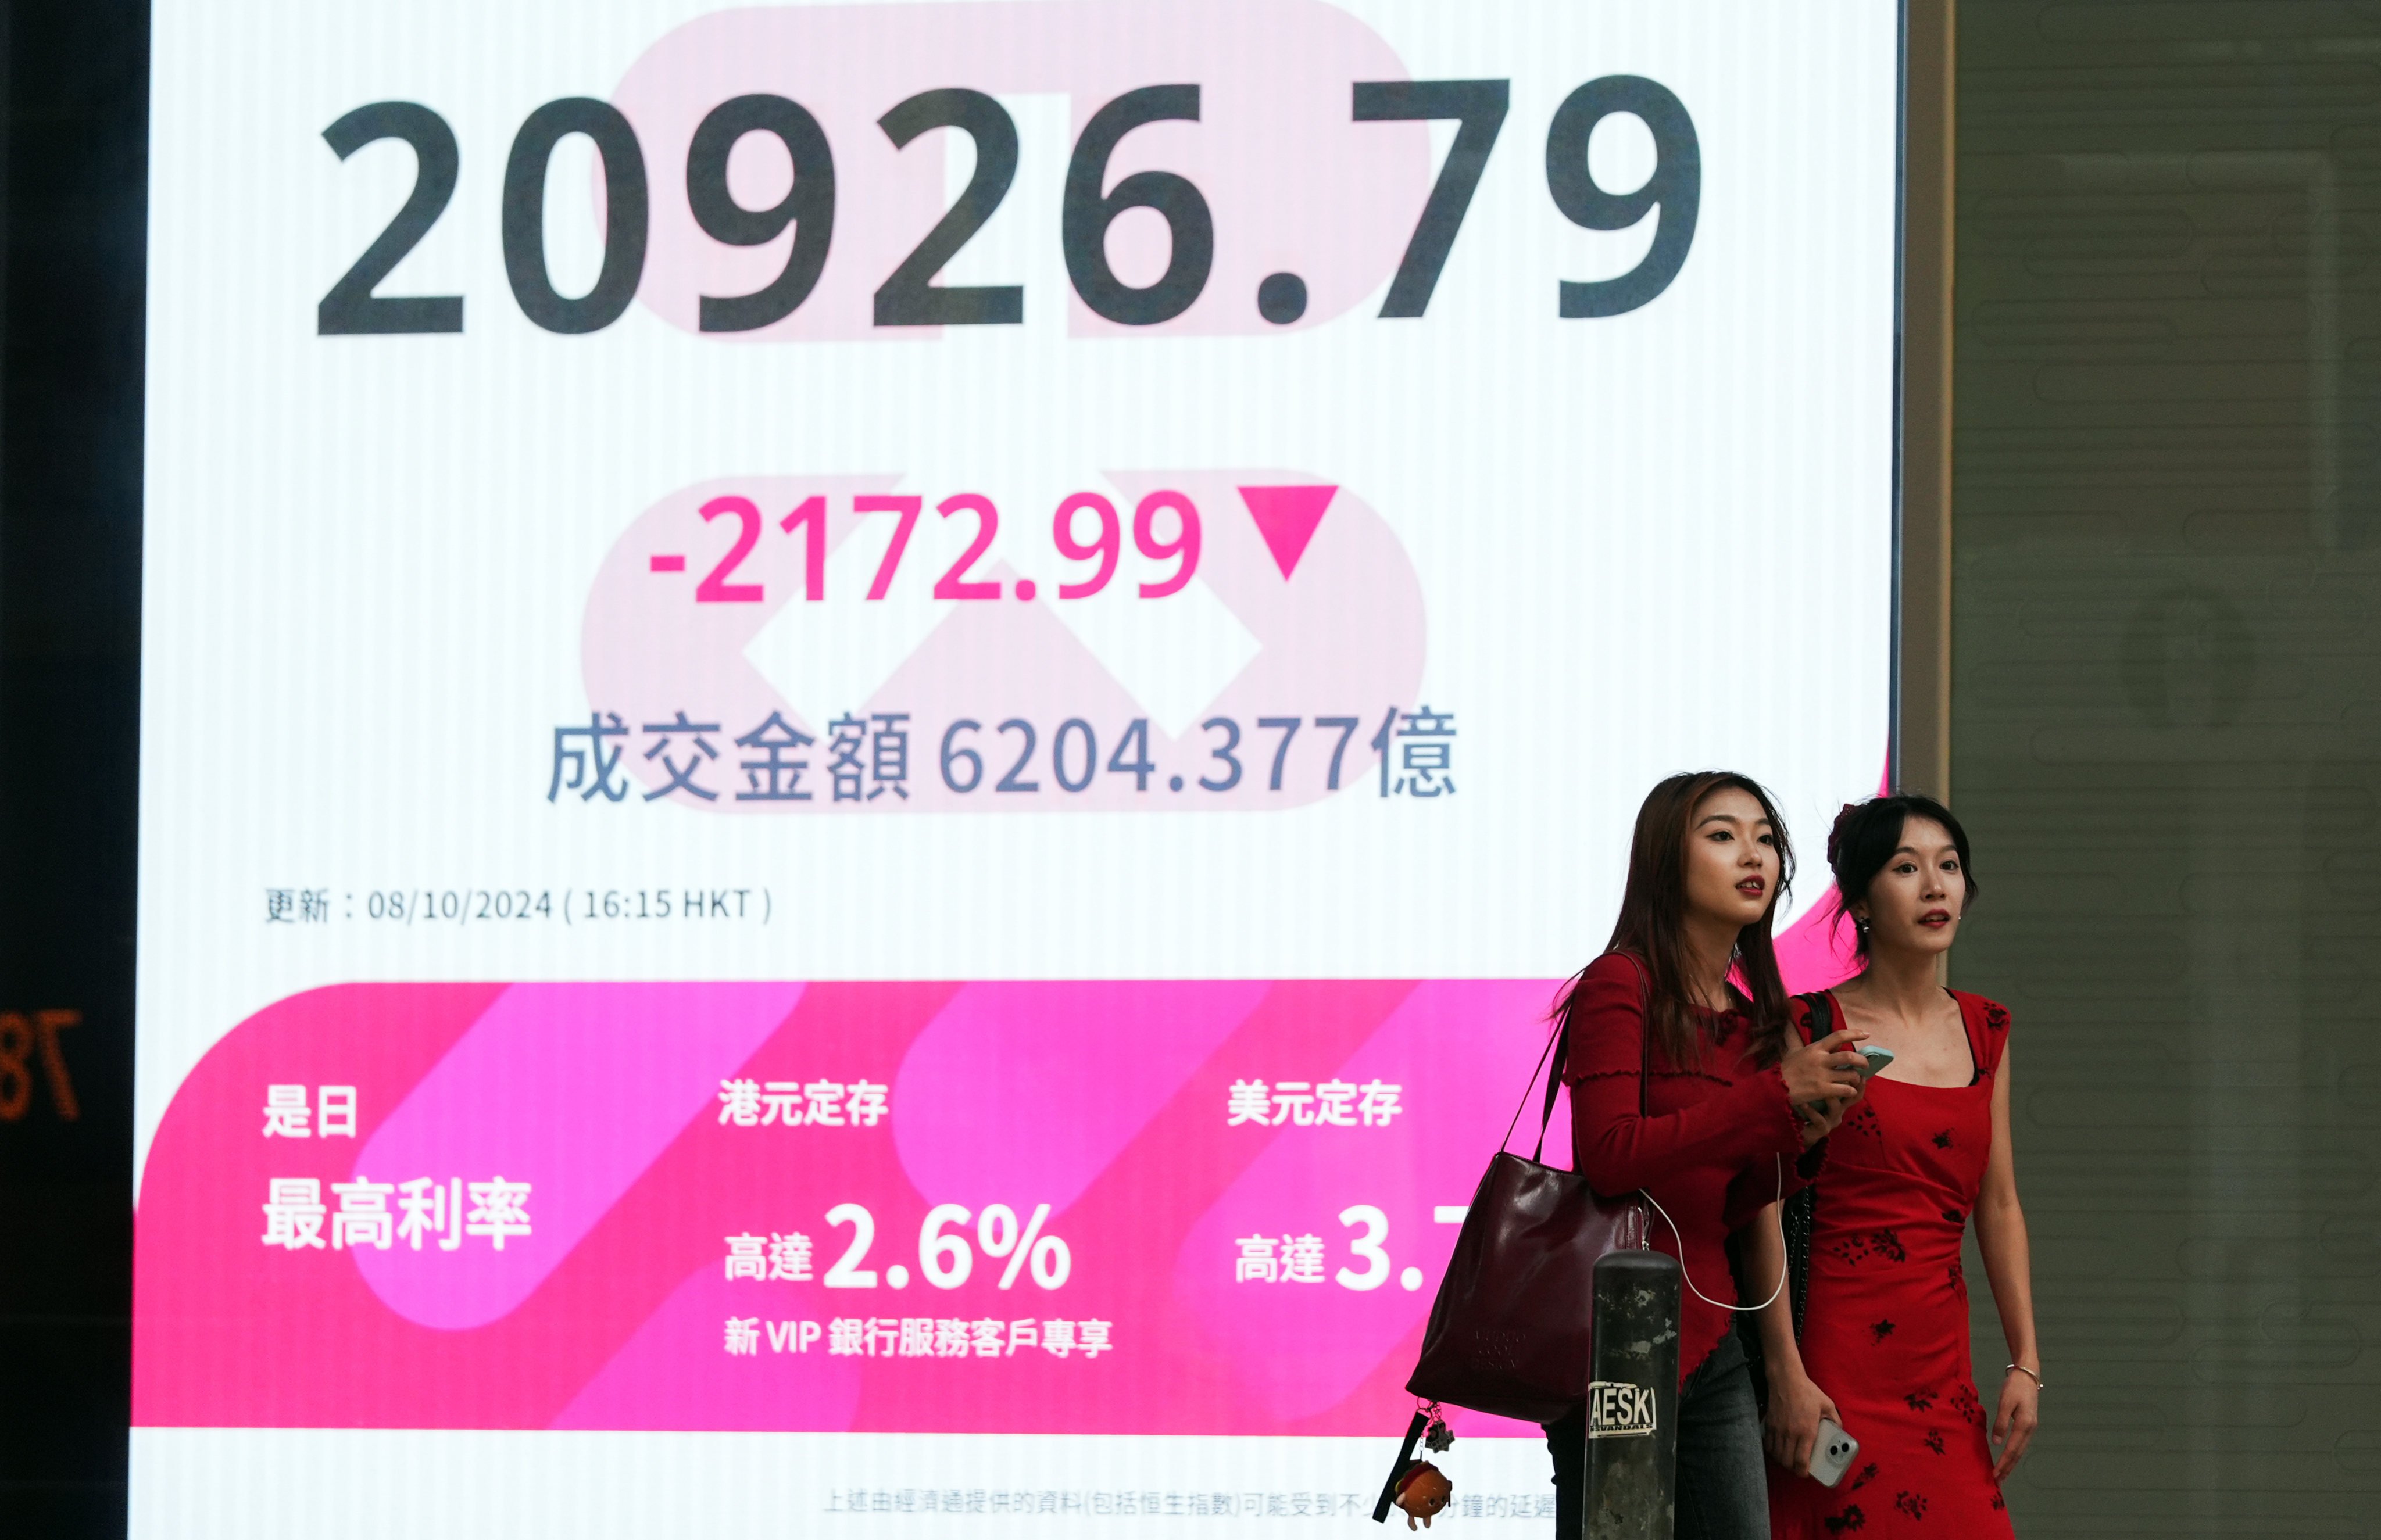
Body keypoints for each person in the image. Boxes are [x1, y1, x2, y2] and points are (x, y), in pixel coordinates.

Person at [1546, 772, 1874, 1540]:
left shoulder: (1753, 1016)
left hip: (1715, 1338)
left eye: (1764, 837)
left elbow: (1739, 1202)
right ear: (1668, 859)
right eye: (1722, 835)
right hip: (1613, 1343)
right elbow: (1611, 1157)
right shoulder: (1618, 982)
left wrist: (1805, 1133)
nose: (1751, 853)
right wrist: (1768, 1100)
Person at [1750, 794, 2042, 1537]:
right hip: (1833, 1362)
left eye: (1948, 867)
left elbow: (1999, 1204)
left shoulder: (1986, 1029)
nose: (1935, 886)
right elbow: (1766, 1207)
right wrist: (1785, 1369)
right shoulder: (1812, 1025)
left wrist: (2025, 1360)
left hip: (1940, 1367)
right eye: (1905, 867)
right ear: (1861, 900)